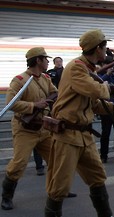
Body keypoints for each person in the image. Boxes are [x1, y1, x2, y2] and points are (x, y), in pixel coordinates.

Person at [44, 29, 114, 217]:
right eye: (104, 47)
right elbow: (96, 91)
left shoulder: (87, 70)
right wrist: (108, 87)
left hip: (84, 135)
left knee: (98, 178)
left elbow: (93, 104)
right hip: (67, 135)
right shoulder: (76, 67)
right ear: (97, 49)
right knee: (59, 186)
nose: (106, 51)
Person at [2, 47, 57, 210]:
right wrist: (34, 105)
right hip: (24, 129)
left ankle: (56, 190)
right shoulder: (19, 80)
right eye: (45, 59)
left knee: (55, 159)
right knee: (19, 163)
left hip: (43, 127)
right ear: (38, 60)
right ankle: (6, 196)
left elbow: (55, 94)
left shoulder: (46, 78)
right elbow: (10, 104)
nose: (48, 61)